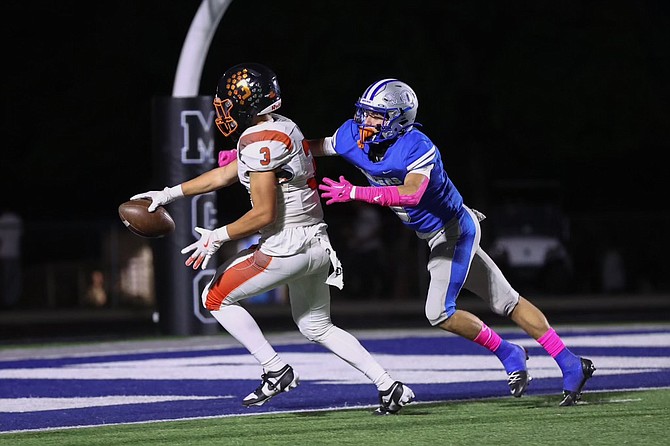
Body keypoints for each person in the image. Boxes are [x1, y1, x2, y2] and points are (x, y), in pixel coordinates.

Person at [131, 64, 414, 414]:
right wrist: (169, 193)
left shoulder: (258, 140)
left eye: (229, 101)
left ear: (245, 103)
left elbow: (264, 214)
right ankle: (389, 385)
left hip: (286, 245)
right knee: (317, 326)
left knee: (214, 298)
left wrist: (218, 236)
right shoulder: (282, 126)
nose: (225, 108)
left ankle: (274, 368)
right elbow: (227, 173)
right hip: (317, 243)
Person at [309, 78, 595, 406]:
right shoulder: (351, 136)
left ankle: (509, 352)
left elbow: (412, 193)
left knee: (439, 312)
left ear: (399, 119)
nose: (365, 123)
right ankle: (569, 363)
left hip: (454, 230)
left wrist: (356, 192)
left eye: (376, 117)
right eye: (364, 113)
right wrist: (260, 153)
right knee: (507, 302)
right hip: (439, 234)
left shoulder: (417, 146)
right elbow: (310, 147)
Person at [0, 209, 23, 310]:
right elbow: (20, 234)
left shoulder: (3, 220)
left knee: (7, 279)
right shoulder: (16, 219)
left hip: (5, 254)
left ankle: (8, 302)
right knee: (12, 279)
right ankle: (11, 301)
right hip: (14, 253)